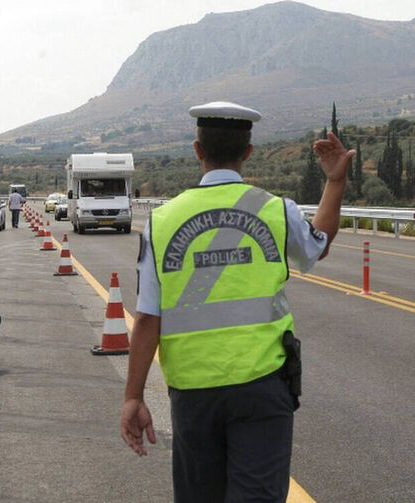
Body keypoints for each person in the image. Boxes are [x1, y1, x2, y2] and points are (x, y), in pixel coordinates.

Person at [120, 101, 354, 502]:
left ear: (197, 150)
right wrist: (334, 184)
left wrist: (133, 396)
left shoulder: (161, 222)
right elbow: (318, 247)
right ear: (248, 152)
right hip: (263, 386)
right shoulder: (276, 210)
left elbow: (146, 320)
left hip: (194, 394)